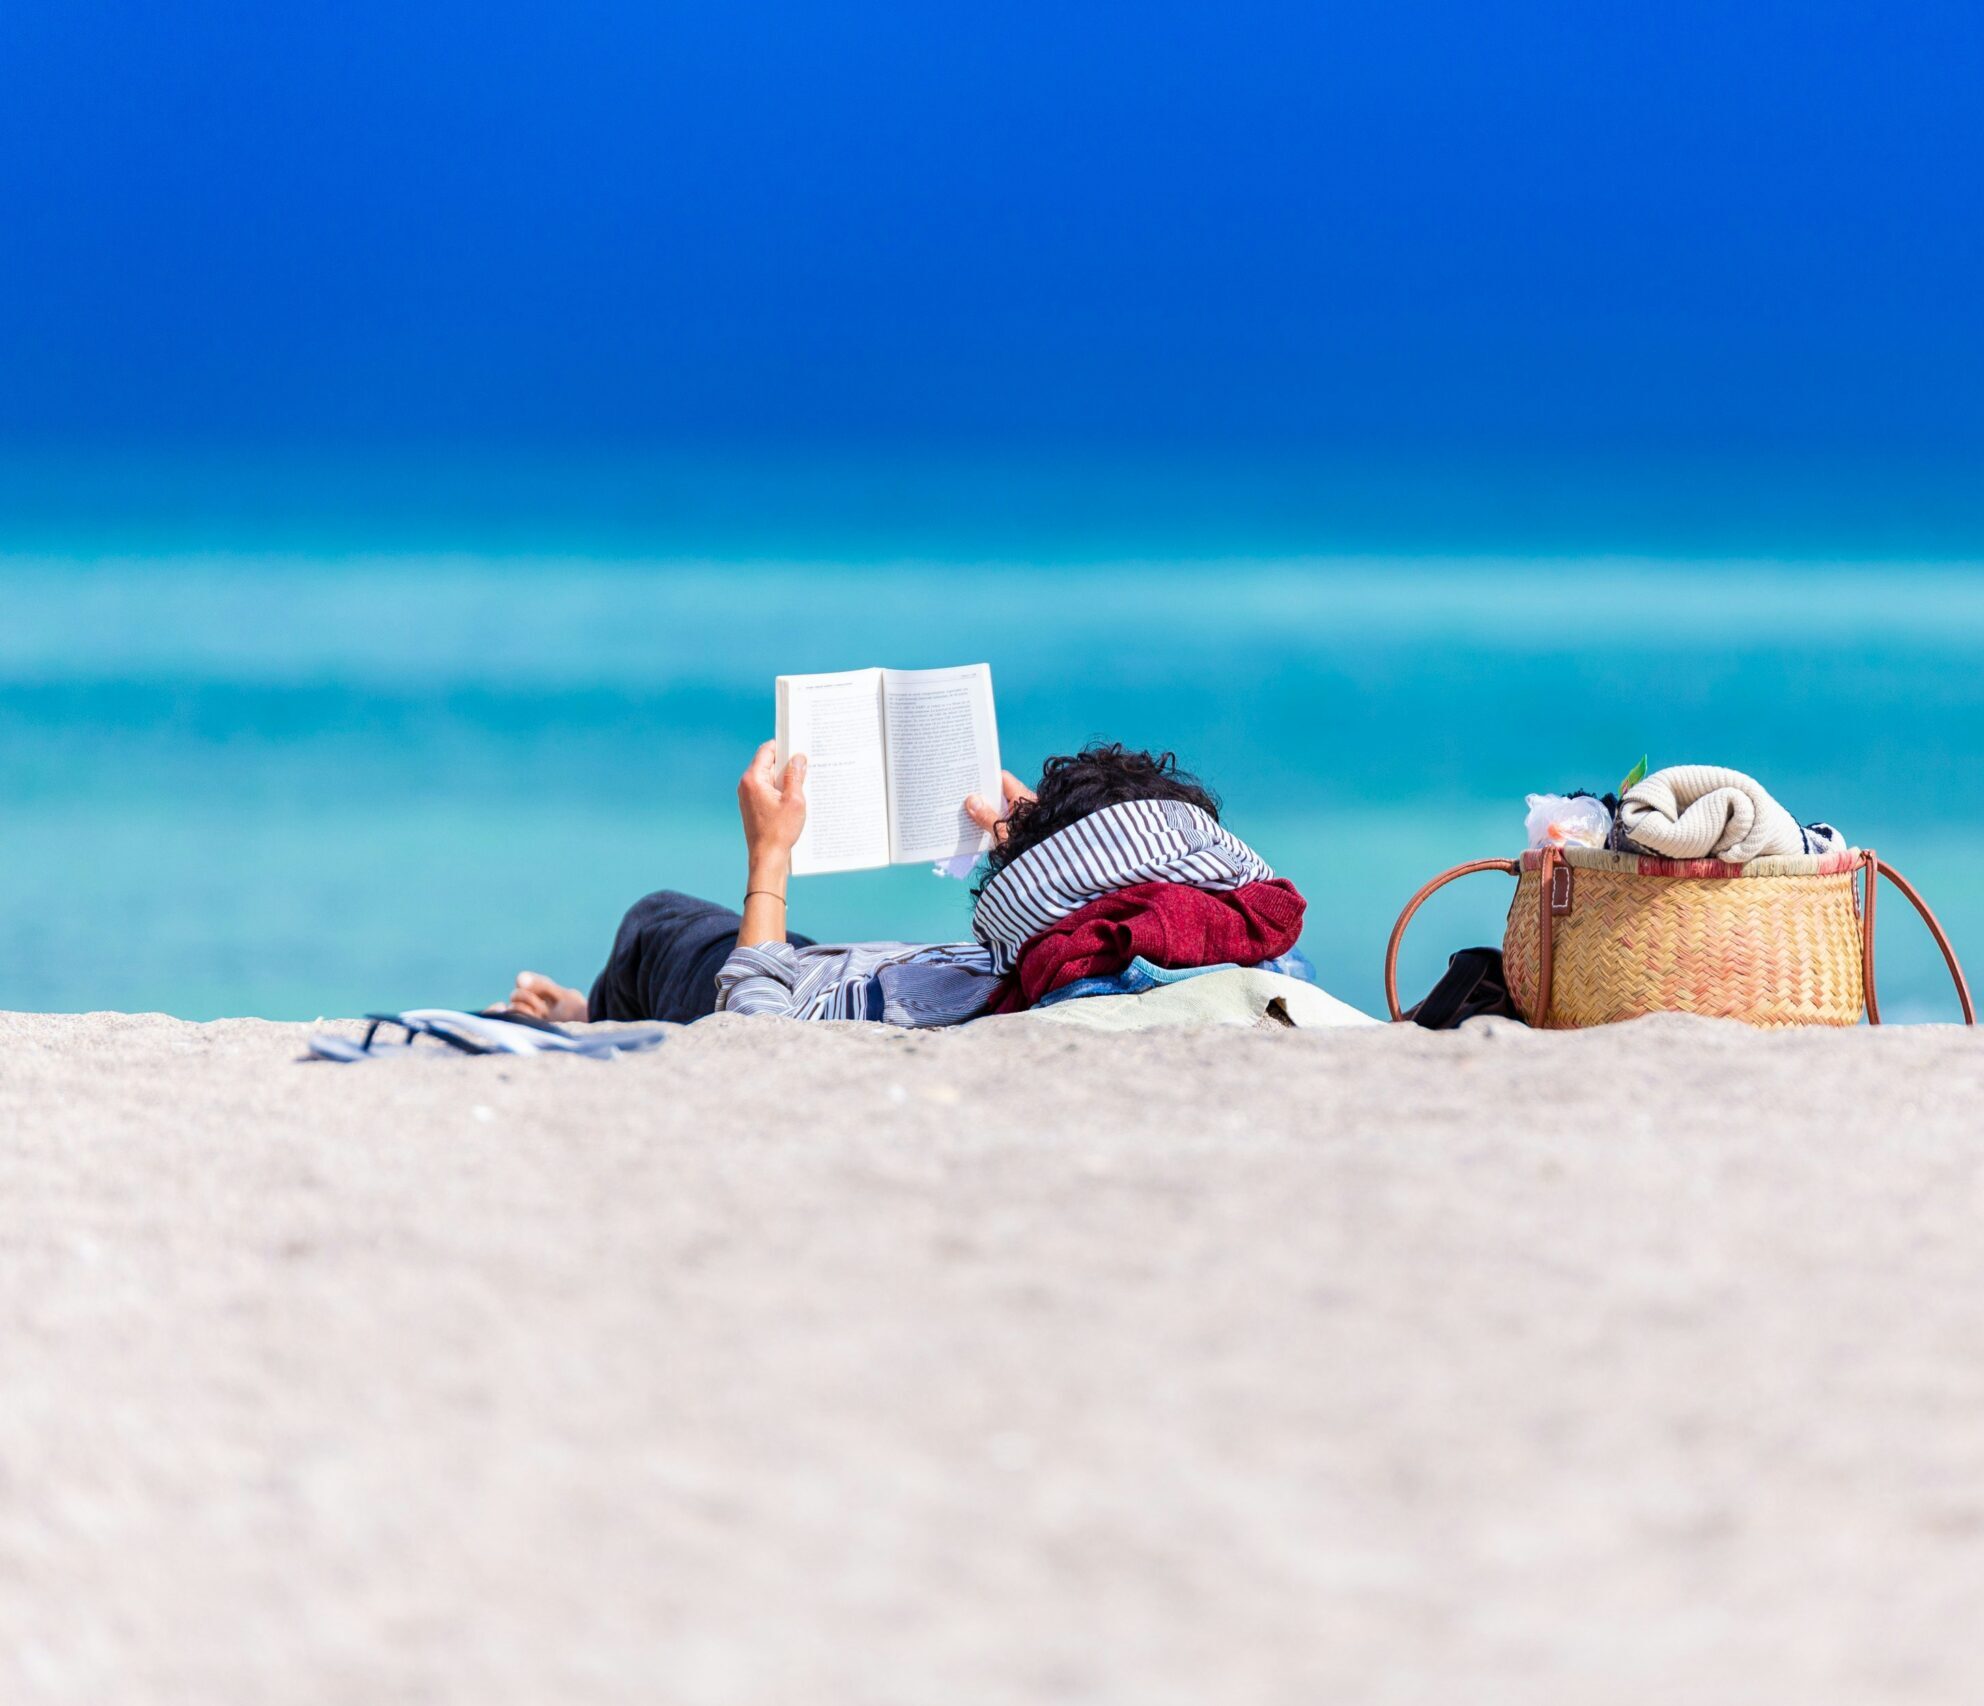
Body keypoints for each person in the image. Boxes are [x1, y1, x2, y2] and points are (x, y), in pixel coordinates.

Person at [504, 740, 1303, 1026]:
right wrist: (1040, 829)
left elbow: (751, 1031)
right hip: (880, 972)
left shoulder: (1057, 975)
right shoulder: (1223, 935)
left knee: (658, 923)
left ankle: (592, 1017)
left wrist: (770, 857)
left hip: (798, 991)